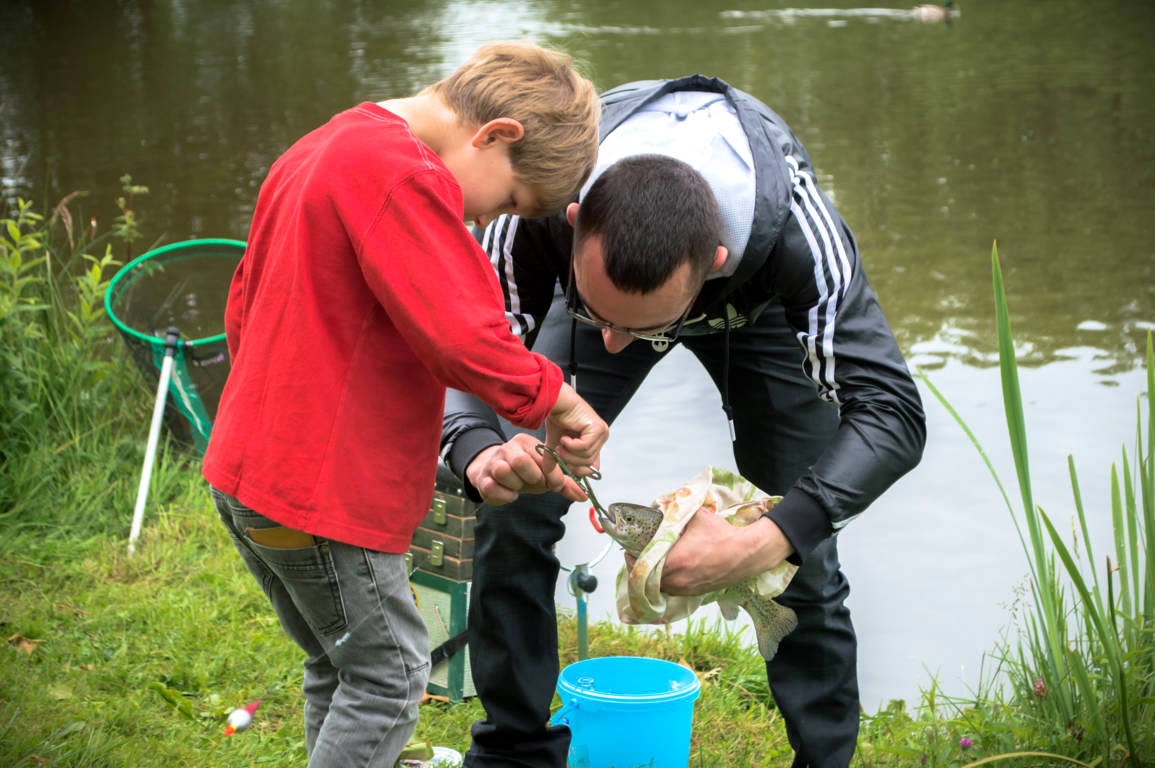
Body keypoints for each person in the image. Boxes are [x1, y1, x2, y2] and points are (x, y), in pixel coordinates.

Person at [441, 75, 927, 768]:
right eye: (599, 315)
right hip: (611, 281)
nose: (615, 343)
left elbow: (892, 415)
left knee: (801, 543)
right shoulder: (537, 203)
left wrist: (767, 540)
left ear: (715, 265)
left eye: (636, 327)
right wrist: (479, 448)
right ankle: (513, 751)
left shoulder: (797, 235)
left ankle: (822, 761)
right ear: (574, 222)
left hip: (756, 311)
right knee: (515, 504)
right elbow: (457, 349)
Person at [202, 42, 610, 768]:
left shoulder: (323, 146)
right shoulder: (402, 173)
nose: (489, 222)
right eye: (510, 200)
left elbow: (243, 306)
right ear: (496, 136)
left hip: (247, 473)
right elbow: (461, 332)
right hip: (316, 495)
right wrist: (557, 399)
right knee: (390, 679)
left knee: (344, 666)